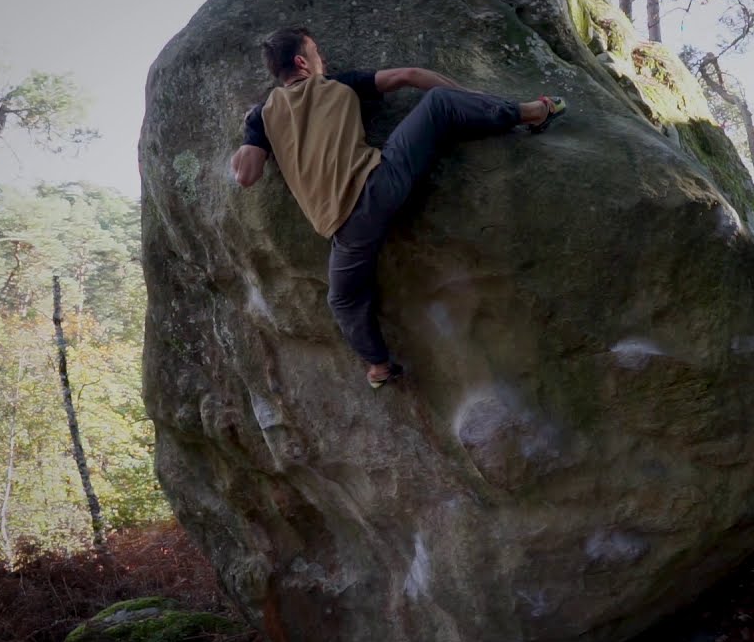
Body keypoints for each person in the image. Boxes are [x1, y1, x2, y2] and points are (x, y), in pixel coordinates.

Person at [230, 27, 566, 388]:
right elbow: (409, 76)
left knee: (343, 299)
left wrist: (249, 137)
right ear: (301, 61)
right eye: (316, 52)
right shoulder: (340, 85)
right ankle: (534, 111)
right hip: (380, 183)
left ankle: (378, 366)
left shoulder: (263, 116)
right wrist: (472, 96)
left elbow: (247, 175)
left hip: (345, 226)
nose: (321, 60)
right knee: (440, 103)